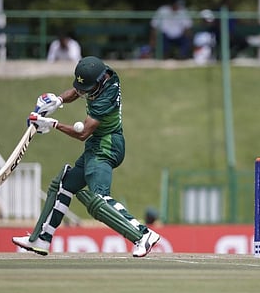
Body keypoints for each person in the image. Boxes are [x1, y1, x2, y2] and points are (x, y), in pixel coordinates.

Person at [12, 56, 160, 257]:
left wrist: (53, 124)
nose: (82, 93)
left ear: (99, 83)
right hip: (95, 145)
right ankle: (42, 239)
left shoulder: (107, 96)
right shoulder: (98, 74)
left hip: (107, 146)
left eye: (87, 90)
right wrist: (58, 100)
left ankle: (143, 235)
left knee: (99, 198)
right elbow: (78, 90)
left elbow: (82, 133)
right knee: (64, 184)